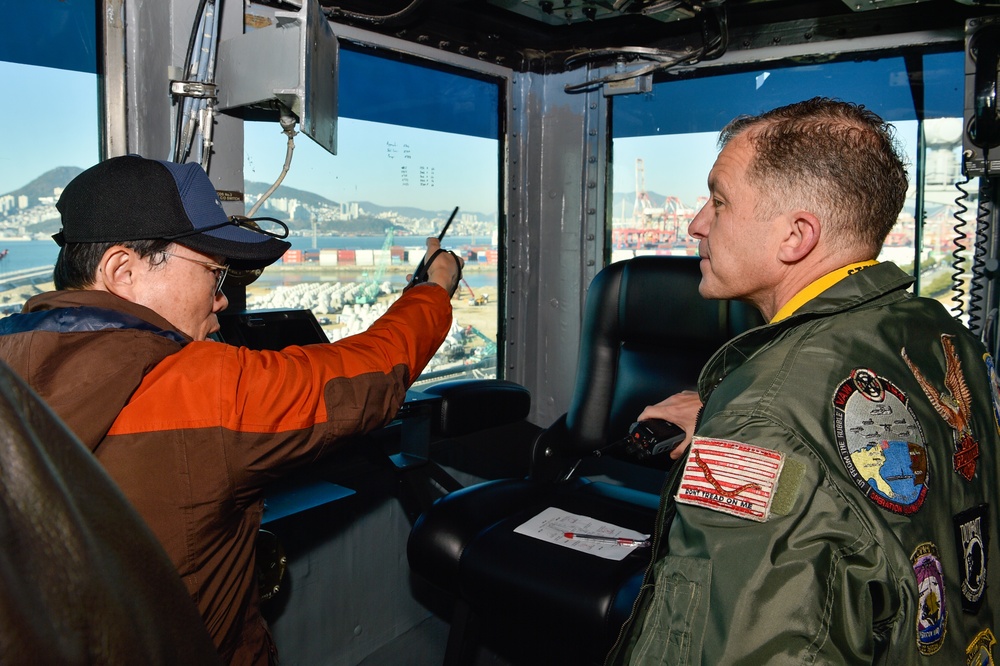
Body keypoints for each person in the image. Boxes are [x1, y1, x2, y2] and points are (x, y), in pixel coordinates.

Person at [0, 154, 462, 665]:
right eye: (214, 275)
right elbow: (372, 372)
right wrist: (435, 287)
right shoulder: (197, 385)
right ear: (121, 270)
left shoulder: (9, 365)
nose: (221, 302)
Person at [606, 98, 999, 664]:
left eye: (718, 201)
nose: (695, 223)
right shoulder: (943, 336)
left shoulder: (760, 423)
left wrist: (749, 428)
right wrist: (730, 413)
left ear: (796, 237)